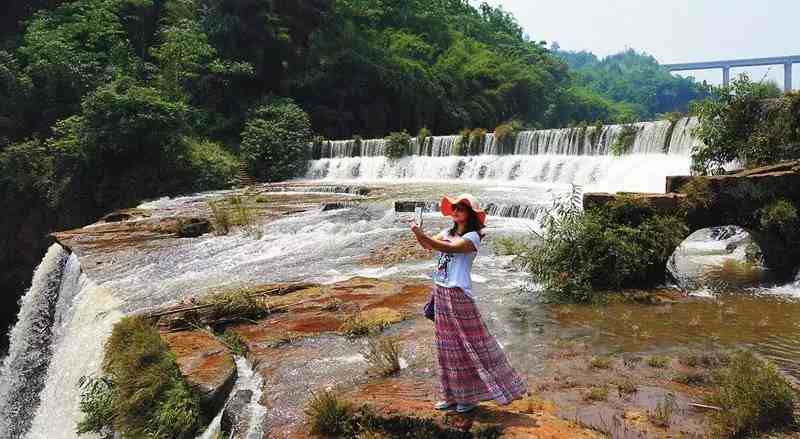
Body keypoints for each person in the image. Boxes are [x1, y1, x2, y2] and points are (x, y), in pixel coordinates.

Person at [409, 193, 527, 413]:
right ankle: (451, 396)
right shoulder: (447, 232)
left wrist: (422, 234)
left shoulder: (473, 237)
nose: (455, 211)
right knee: (446, 347)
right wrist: (418, 232)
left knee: (468, 345)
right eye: (454, 208)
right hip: (441, 290)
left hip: (459, 294)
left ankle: (469, 398)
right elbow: (428, 245)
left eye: (461, 209)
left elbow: (448, 248)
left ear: (470, 214)